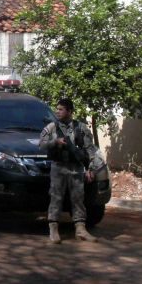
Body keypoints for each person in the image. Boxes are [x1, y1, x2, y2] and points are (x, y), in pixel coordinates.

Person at [40, 97, 99, 244]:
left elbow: (90, 149)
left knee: (78, 198)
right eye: (57, 109)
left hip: (76, 168)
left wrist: (91, 168)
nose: (57, 112)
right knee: (56, 197)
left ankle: (80, 229)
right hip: (58, 167)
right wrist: (55, 142)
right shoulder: (52, 127)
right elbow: (41, 144)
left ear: (70, 111)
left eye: (61, 109)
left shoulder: (81, 128)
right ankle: (53, 229)